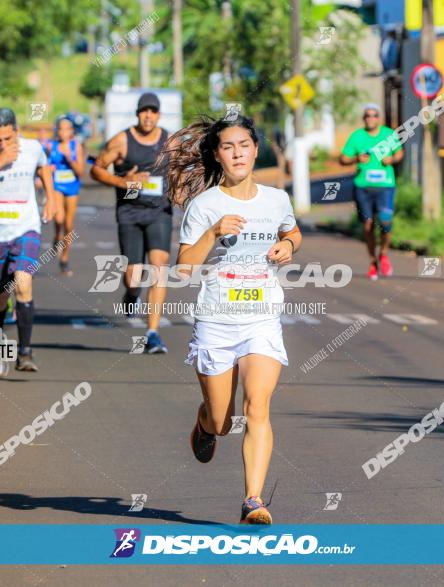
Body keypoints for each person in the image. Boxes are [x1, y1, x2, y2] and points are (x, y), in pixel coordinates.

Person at [160, 115, 302, 525]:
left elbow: (293, 232)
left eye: (244, 145)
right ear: (218, 155)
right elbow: (183, 269)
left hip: (261, 316)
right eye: (228, 147)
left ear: (256, 150)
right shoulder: (205, 206)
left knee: (258, 405)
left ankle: (253, 500)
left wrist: (288, 245)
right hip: (217, 320)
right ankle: (204, 423)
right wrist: (212, 234)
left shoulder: (276, 199)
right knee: (224, 421)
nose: (237, 153)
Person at [0, 108, 58, 372]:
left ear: (17, 130)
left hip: (26, 227)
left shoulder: (33, 147)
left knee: (23, 281)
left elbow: (44, 168)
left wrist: (51, 197)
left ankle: (25, 352)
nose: (2, 144)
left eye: (7, 138)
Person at [90, 92, 171, 354]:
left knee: (159, 266)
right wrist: (123, 182)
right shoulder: (122, 141)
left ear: (159, 115)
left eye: (153, 111)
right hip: (130, 213)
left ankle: (153, 333)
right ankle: (132, 295)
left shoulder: (169, 141)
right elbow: (97, 168)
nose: (148, 115)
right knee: (133, 277)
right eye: (144, 111)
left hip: (159, 211)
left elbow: (183, 169)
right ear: (138, 114)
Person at [339, 103, 403, 279]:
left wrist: (391, 160)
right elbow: (343, 158)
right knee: (368, 226)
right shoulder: (357, 136)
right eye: (367, 115)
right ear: (363, 118)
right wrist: (356, 158)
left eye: (374, 115)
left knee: (385, 220)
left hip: (385, 186)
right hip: (363, 187)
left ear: (379, 117)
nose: (370, 118)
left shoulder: (388, 134)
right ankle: (372, 261)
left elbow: (399, 153)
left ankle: (383, 253)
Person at [47, 116, 86, 276]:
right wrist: (49, 169)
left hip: (72, 187)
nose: (63, 132)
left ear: (71, 132)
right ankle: (57, 235)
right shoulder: (51, 146)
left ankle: (65, 256)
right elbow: (45, 167)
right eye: (61, 128)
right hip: (57, 185)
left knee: (69, 225)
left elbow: (81, 172)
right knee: (59, 219)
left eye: (67, 129)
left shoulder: (75, 146)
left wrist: (70, 158)